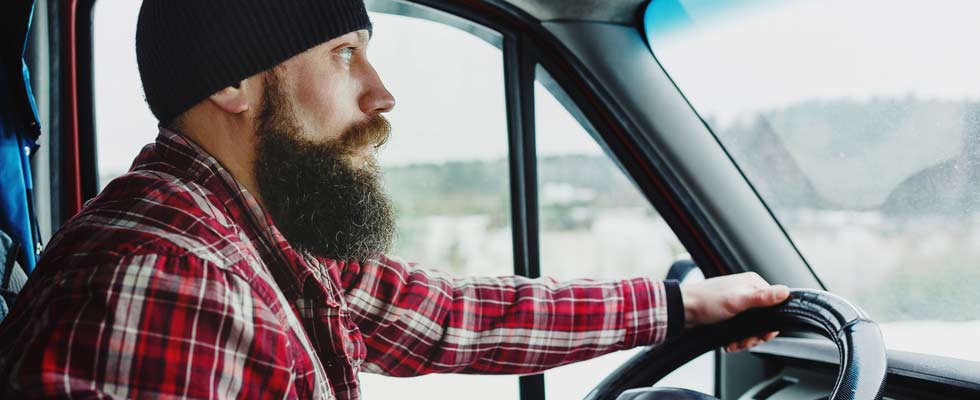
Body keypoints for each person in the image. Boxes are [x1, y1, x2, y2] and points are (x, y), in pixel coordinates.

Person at [0, 1, 789, 398]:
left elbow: (446, 315)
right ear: (231, 84)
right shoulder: (169, 285)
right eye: (345, 56)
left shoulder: (259, 232)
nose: (381, 95)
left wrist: (679, 308)